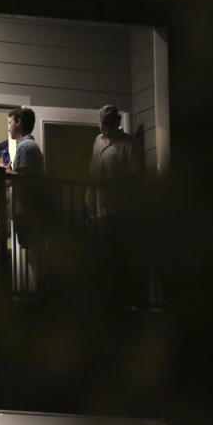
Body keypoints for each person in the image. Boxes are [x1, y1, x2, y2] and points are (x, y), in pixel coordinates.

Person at [86, 104, 144, 305]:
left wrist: (115, 180)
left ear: (117, 123)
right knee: (101, 254)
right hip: (100, 208)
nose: (105, 130)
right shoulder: (98, 141)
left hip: (120, 208)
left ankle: (122, 298)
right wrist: (89, 194)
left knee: (117, 254)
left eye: (108, 125)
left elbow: (137, 174)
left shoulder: (128, 144)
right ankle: (105, 297)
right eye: (102, 125)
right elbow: (93, 172)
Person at [0, 106, 44, 288]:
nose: (8, 127)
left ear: (18, 123)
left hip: (28, 209)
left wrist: (3, 172)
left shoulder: (25, 147)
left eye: (10, 122)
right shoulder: (30, 147)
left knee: (32, 253)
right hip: (28, 209)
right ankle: (39, 289)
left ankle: (39, 290)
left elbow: (25, 178)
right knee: (31, 251)